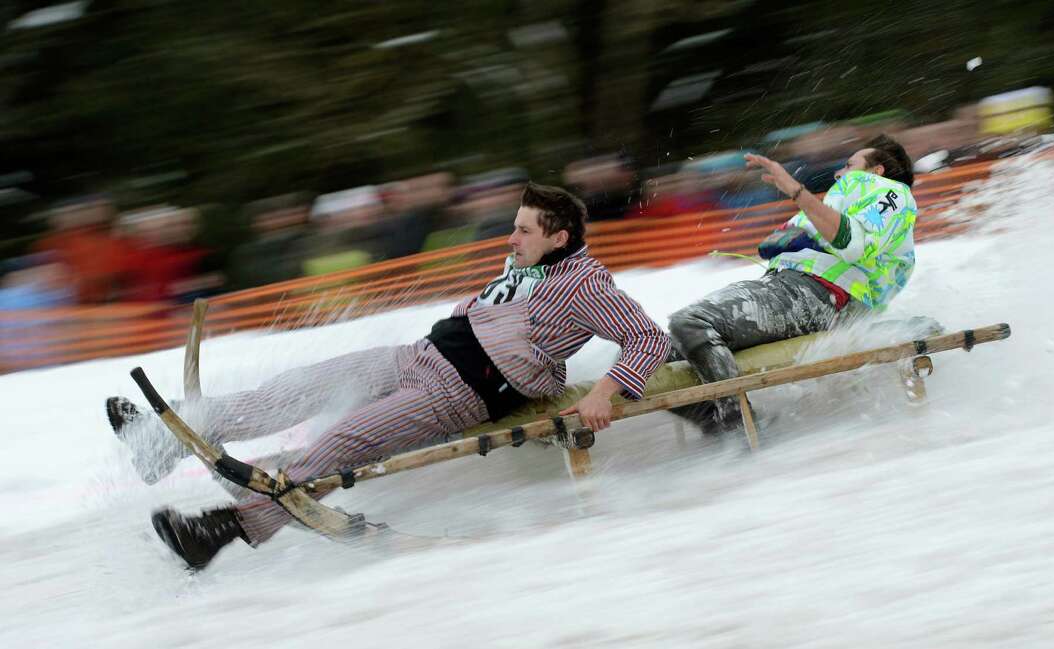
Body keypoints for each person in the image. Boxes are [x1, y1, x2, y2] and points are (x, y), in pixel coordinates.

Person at [108, 182, 671, 569]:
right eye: (514, 227)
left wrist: (605, 389)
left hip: (454, 395)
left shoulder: (586, 283)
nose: (511, 239)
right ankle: (163, 442)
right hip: (415, 356)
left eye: (524, 231)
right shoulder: (527, 262)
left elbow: (649, 337)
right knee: (293, 389)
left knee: (338, 443)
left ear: (559, 239)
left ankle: (220, 532)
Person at [667, 134, 917, 434]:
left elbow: (852, 244)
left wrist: (796, 191)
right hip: (792, 287)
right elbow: (791, 240)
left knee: (691, 322)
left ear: (877, 171)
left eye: (849, 165)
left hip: (821, 294)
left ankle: (741, 429)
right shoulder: (840, 201)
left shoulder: (890, 191)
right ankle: (727, 428)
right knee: (660, 353)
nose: (839, 172)